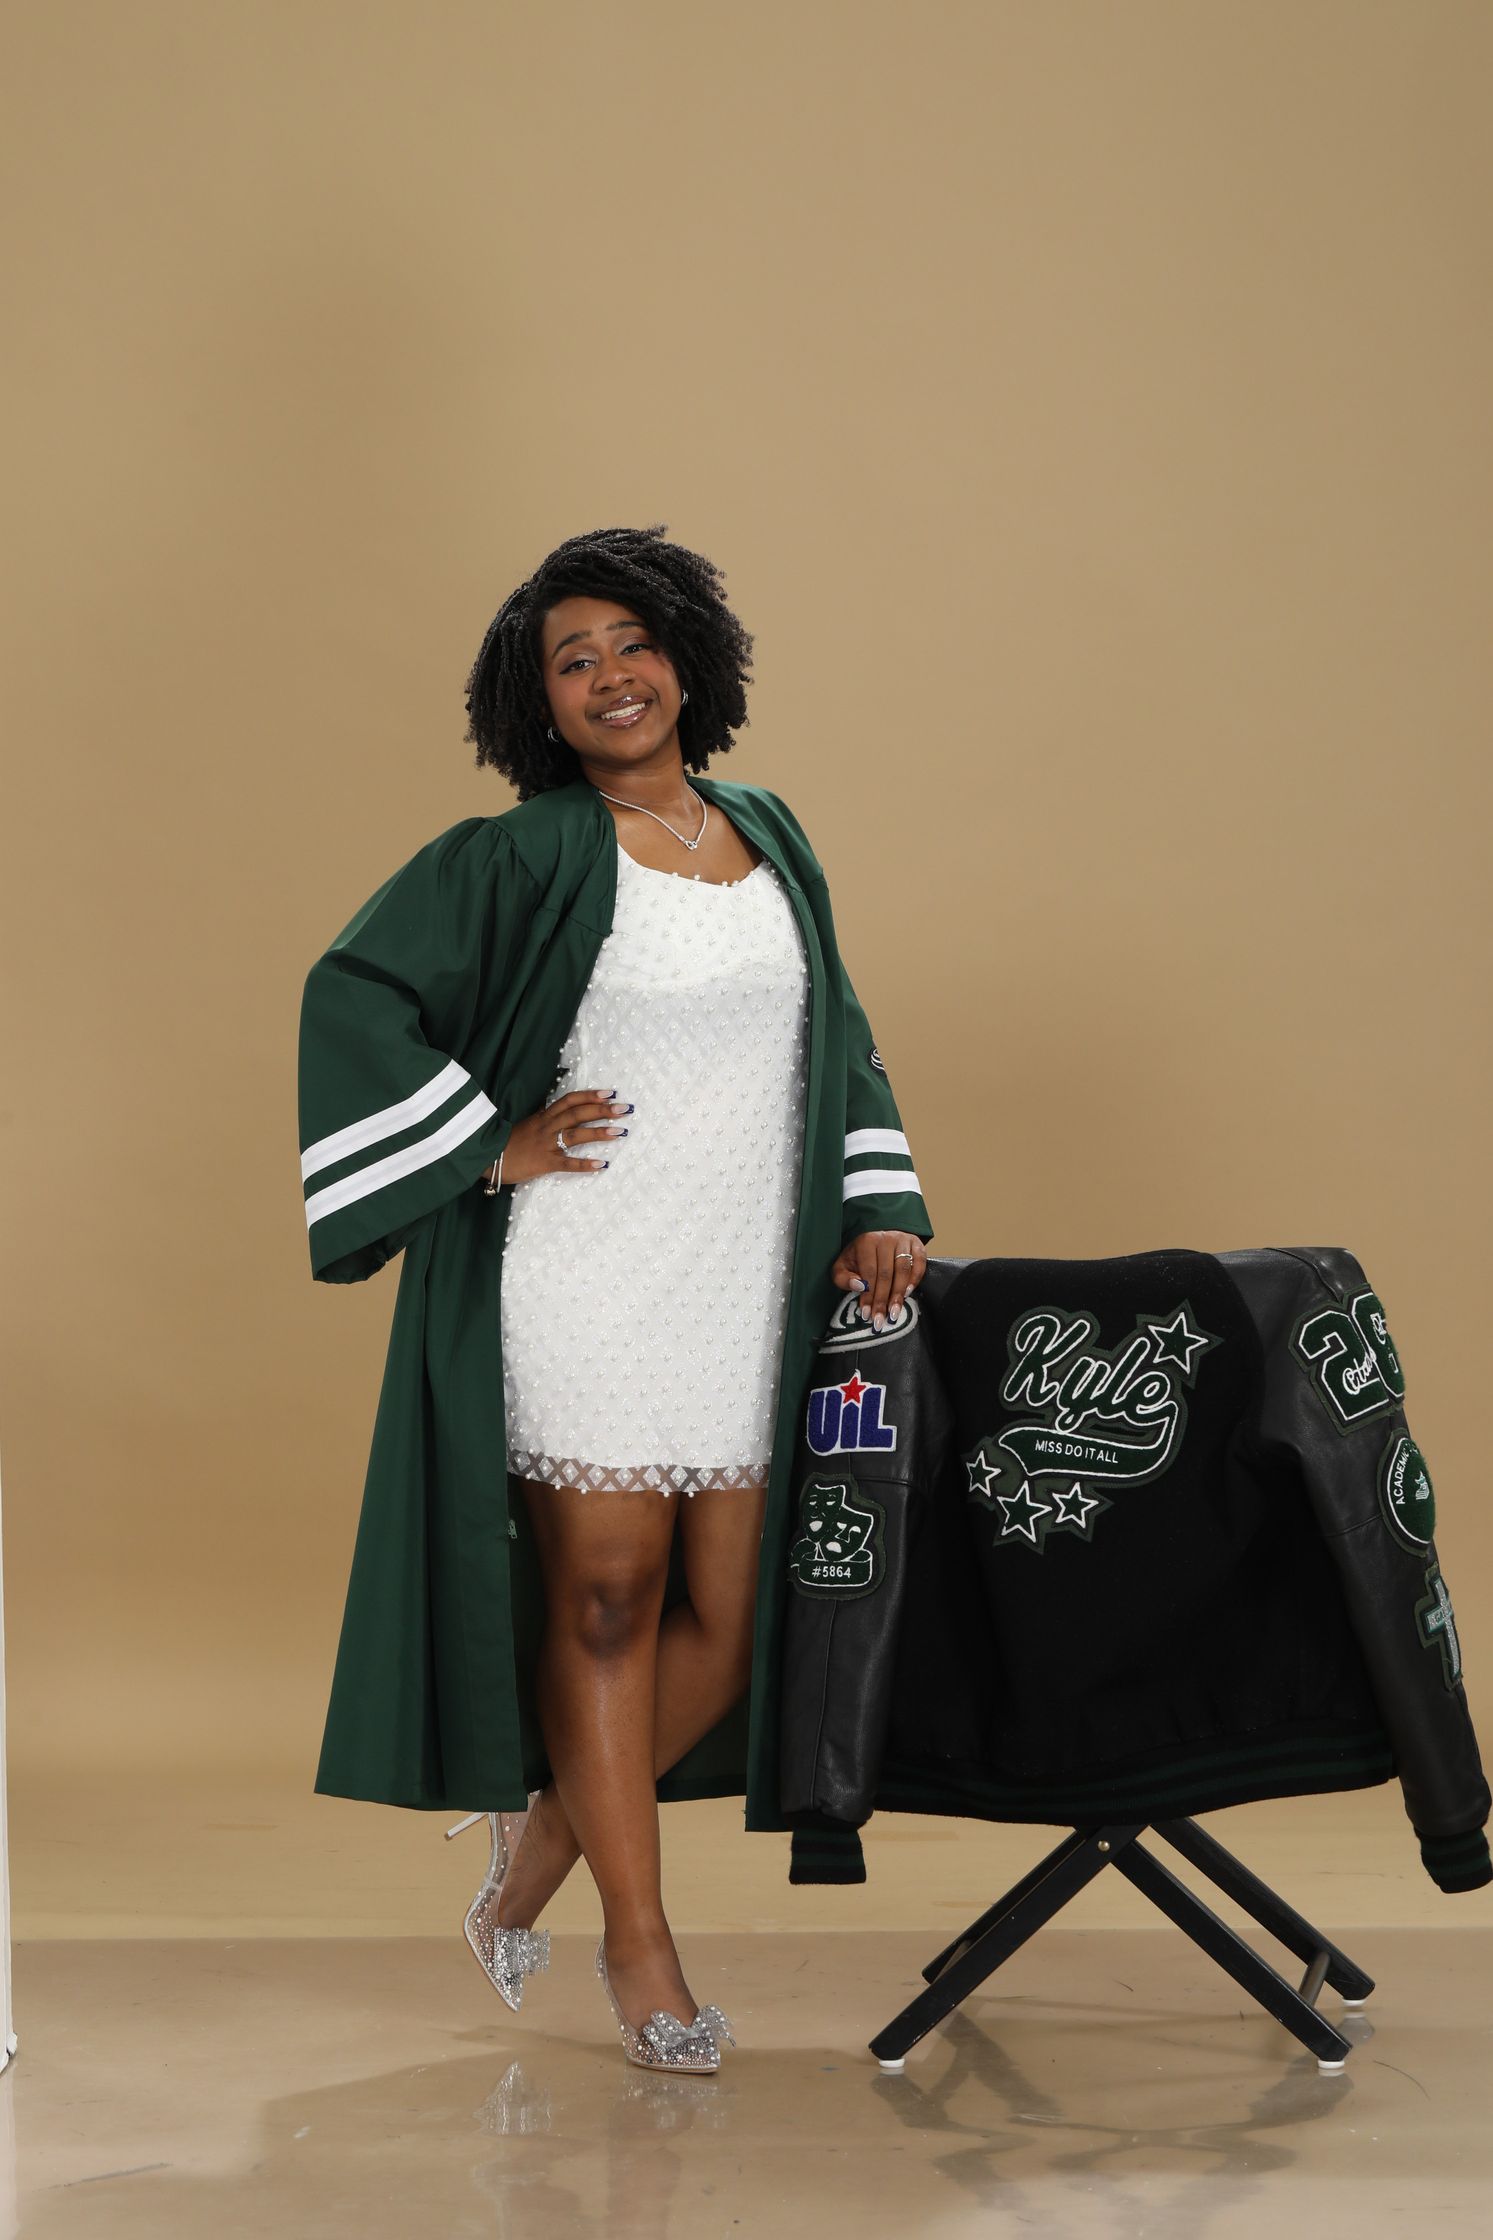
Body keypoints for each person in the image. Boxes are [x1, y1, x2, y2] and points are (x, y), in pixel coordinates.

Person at [297, 524, 934, 2072]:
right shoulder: (523, 851)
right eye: (568, 663)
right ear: (540, 709)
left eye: (628, 645)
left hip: (740, 1272)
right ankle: (638, 1952)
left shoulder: (769, 833)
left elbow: (834, 1037)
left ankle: (530, 1863)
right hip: (587, 1270)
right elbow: (352, 993)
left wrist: (879, 1206)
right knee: (603, 1604)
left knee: (737, 1609)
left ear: (686, 660)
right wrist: (491, 1148)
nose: (608, 677)